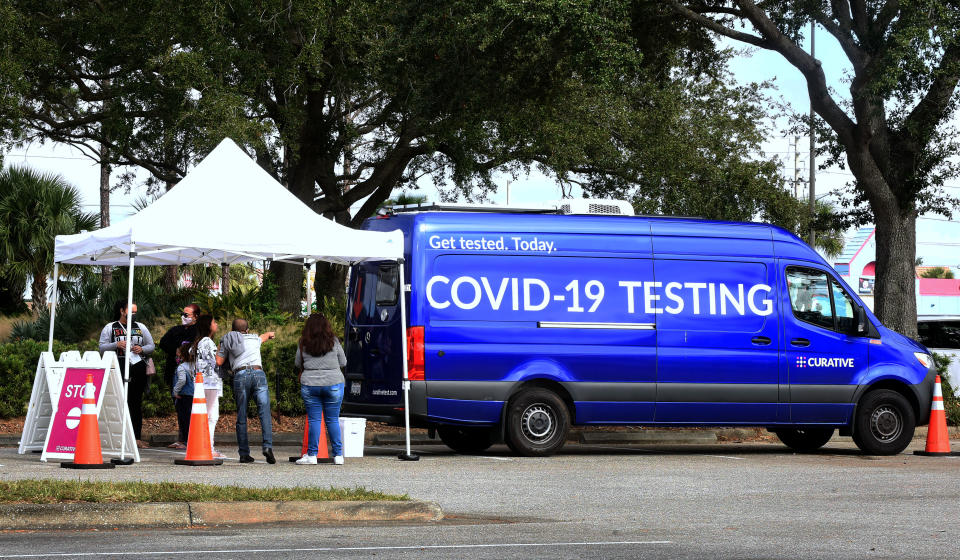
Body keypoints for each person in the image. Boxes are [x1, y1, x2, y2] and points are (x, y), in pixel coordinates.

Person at [217, 319, 277, 464]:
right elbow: (264, 336)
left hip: (240, 375)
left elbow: (219, 361)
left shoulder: (228, 340)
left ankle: (244, 454)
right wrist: (270, 334)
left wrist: (220, 346)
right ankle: (267, 447)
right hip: (258, 374)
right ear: (247, 330)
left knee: (242, 415)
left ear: (233, 330)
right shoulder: (255, 339)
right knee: (264, 413)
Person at [98, 299, 155, 449]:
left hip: (138, 367)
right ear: (122, 311)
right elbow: (102, 347)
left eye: (136, 312)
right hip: (118, 365)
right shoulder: (111, 327)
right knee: (119, 401)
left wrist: (141, 349)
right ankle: (118, 437)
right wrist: (116, 345)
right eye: (131, 312)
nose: (134, 315)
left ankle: (136, 437)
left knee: (135, 402)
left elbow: (151, 345)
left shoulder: (140, 327)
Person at [294, 313, 347, 465]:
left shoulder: (303, 343)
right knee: (332, 420)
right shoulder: (334, 342)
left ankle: (312, 455)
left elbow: (298, 363)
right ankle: (338, 456)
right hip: (334, 383)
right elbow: (343, 362)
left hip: (310, 384)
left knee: (315, 420)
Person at [158, 303, 200, 448]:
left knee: (189, 407)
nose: (184, 317)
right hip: (175, 371)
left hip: (191, 374)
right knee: (180, 406)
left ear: (195, 317)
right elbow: (163, 343)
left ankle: (190, 439)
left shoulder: (199, 332)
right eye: (183, 314)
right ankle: (182, 438)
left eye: (187, 315)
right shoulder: (176, 330)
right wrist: (175, 349)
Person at [190, 314, 224, 459]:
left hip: (203, 383)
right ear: (208, 326)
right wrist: (222, 350)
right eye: (214, 322)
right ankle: (208, 447)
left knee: (209, 415)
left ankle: (207, 446)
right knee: (211, 416)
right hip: (209, 383)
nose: (216, 324)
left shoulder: (198, 342)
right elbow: (217, 362)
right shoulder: (207, 342)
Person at [171, 344, 195, 449]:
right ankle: (190, 440)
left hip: (184, 396)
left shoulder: (181, 367)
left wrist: (175, 391)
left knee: (184, 419)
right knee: (191, 418)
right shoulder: (195, 365)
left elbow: (182, 380)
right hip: (194, 395)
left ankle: (185, 441)